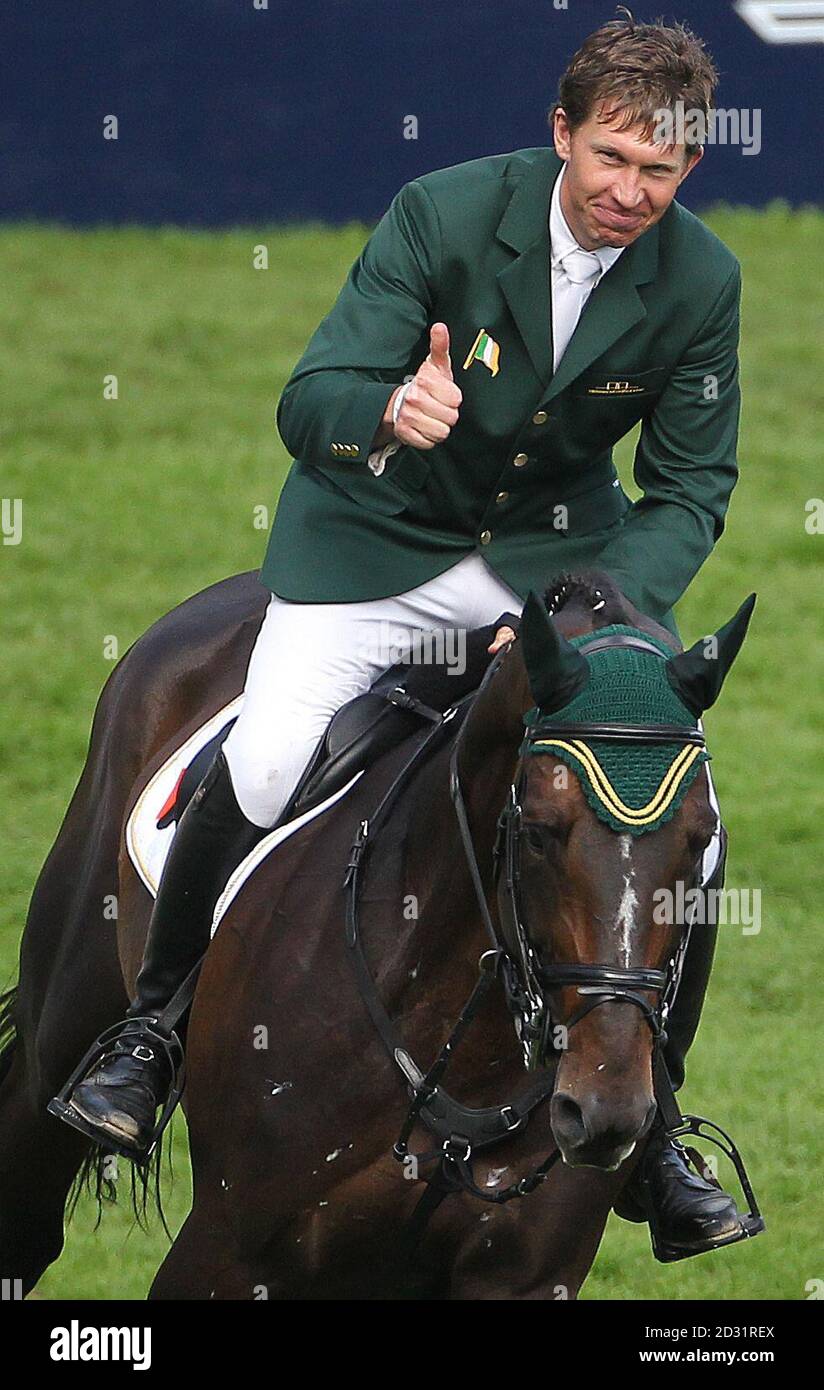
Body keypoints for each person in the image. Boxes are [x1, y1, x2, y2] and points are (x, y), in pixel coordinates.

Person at [55, 13, 749, 1258]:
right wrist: (386, 405)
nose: (629, 194)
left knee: (684, 829)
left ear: (689, 166)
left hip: (546, 570)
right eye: (609, 161)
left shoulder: (700, 279)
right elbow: (303, 398)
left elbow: (688, 492)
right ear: (560, 137)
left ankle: (656, 1137)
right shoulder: (439, 212)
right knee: (265, 760)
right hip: (372, 545)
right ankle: (149, 1032)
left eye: (659, 171)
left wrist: (580, 617)